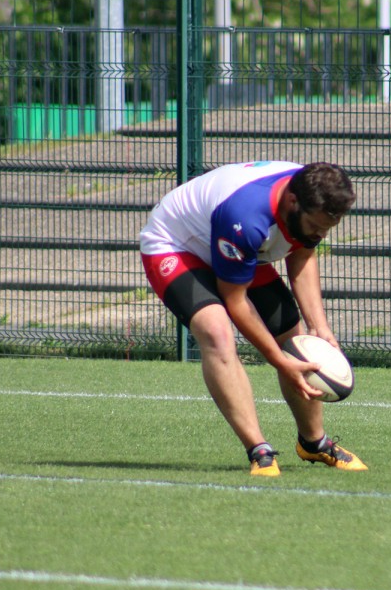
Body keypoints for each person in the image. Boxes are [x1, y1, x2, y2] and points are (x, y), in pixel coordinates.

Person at [139, 161, 368, 477]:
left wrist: (320, 328)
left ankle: (314, 443)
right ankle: (259, 451)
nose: (321, 234)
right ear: (292, 202)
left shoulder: (311, 193)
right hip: (177, 245)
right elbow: (236, 301)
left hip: (235, 245)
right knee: (216, 332)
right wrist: (280, 361)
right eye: (316, 226)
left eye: (327, 228)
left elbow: (302, 254)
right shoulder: (246, 217)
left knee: (297, 338)